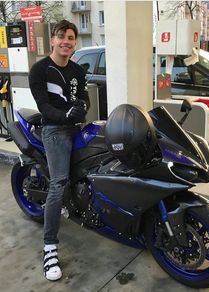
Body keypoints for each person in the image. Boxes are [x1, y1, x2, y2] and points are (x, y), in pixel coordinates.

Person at [29, 19, 90, 281]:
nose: (66, 41)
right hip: (54, 129)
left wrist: (82, 108)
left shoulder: (77, 70)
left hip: (76, 125)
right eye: (62, 36)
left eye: (71, 38)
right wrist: (65, 116)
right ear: (53, 39)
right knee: (58, 183)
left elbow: (84, 97)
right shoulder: (40, 69)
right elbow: (44, 106)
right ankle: (49, 247)